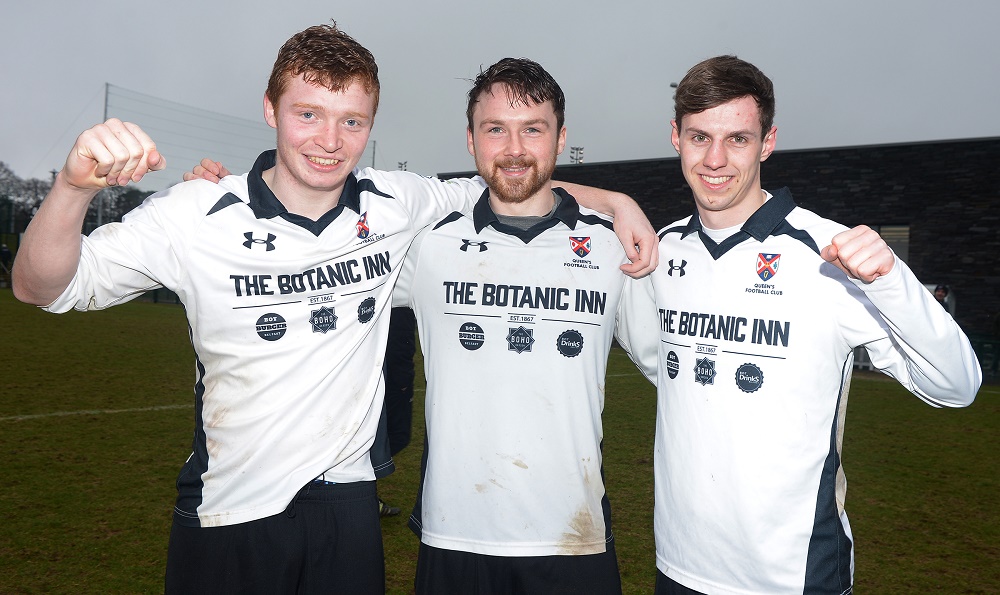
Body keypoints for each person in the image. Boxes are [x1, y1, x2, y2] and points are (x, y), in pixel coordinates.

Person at [12, 23, 656, 595]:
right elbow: (41, 287)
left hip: (348, 510)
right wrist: (72, 188)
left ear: (370, 126)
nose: (330, 139)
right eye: (309, 114)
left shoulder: (397, 204)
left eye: (351, 120)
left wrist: (613, 201)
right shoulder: (195, 214)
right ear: (271, 109)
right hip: (229, 509)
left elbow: (511, 178)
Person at [616, 55, 983, 595]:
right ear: (676, 136)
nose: (715, 159)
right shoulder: (663, 249)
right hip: (678, 566)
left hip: (792, 577)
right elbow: (659, 363)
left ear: (767, 142)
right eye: (699, 137)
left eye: (737, 139)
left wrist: (890, 280)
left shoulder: (828, 254)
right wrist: (616, 200)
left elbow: (957, 386)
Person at [392, 58, 633, 594]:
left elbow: (673, 361)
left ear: (561, 137)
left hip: (575, 538)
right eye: (495, 128)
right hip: (456, 536)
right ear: (471, 140)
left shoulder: (613, 245)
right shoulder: (427, 244)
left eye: (533, 129)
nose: (514, 147)